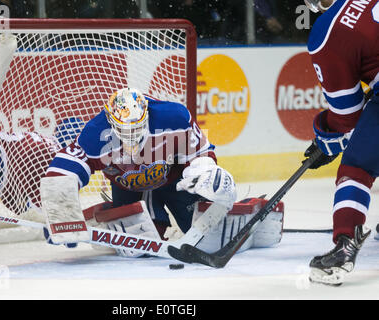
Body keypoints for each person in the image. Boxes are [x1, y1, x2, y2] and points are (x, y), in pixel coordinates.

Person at [40, 88, 283, 256]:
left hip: (172, 182)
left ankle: (252, 206)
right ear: (110, 122)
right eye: (123, 131)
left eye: (137, 128)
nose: (131, 137)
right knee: (139, 247)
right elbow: (65, 169)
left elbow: (200, 153)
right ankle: (110, 216)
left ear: (147, 115)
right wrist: (61, 215)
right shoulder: (96, 133)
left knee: (207, 239)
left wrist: (205, 174)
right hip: (128, 188)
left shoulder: (173, 117)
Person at [301, 0, 378, 285]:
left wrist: (325, 137)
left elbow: (347, 116)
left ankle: (345, 246)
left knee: (358, 167)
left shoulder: (327, 31)